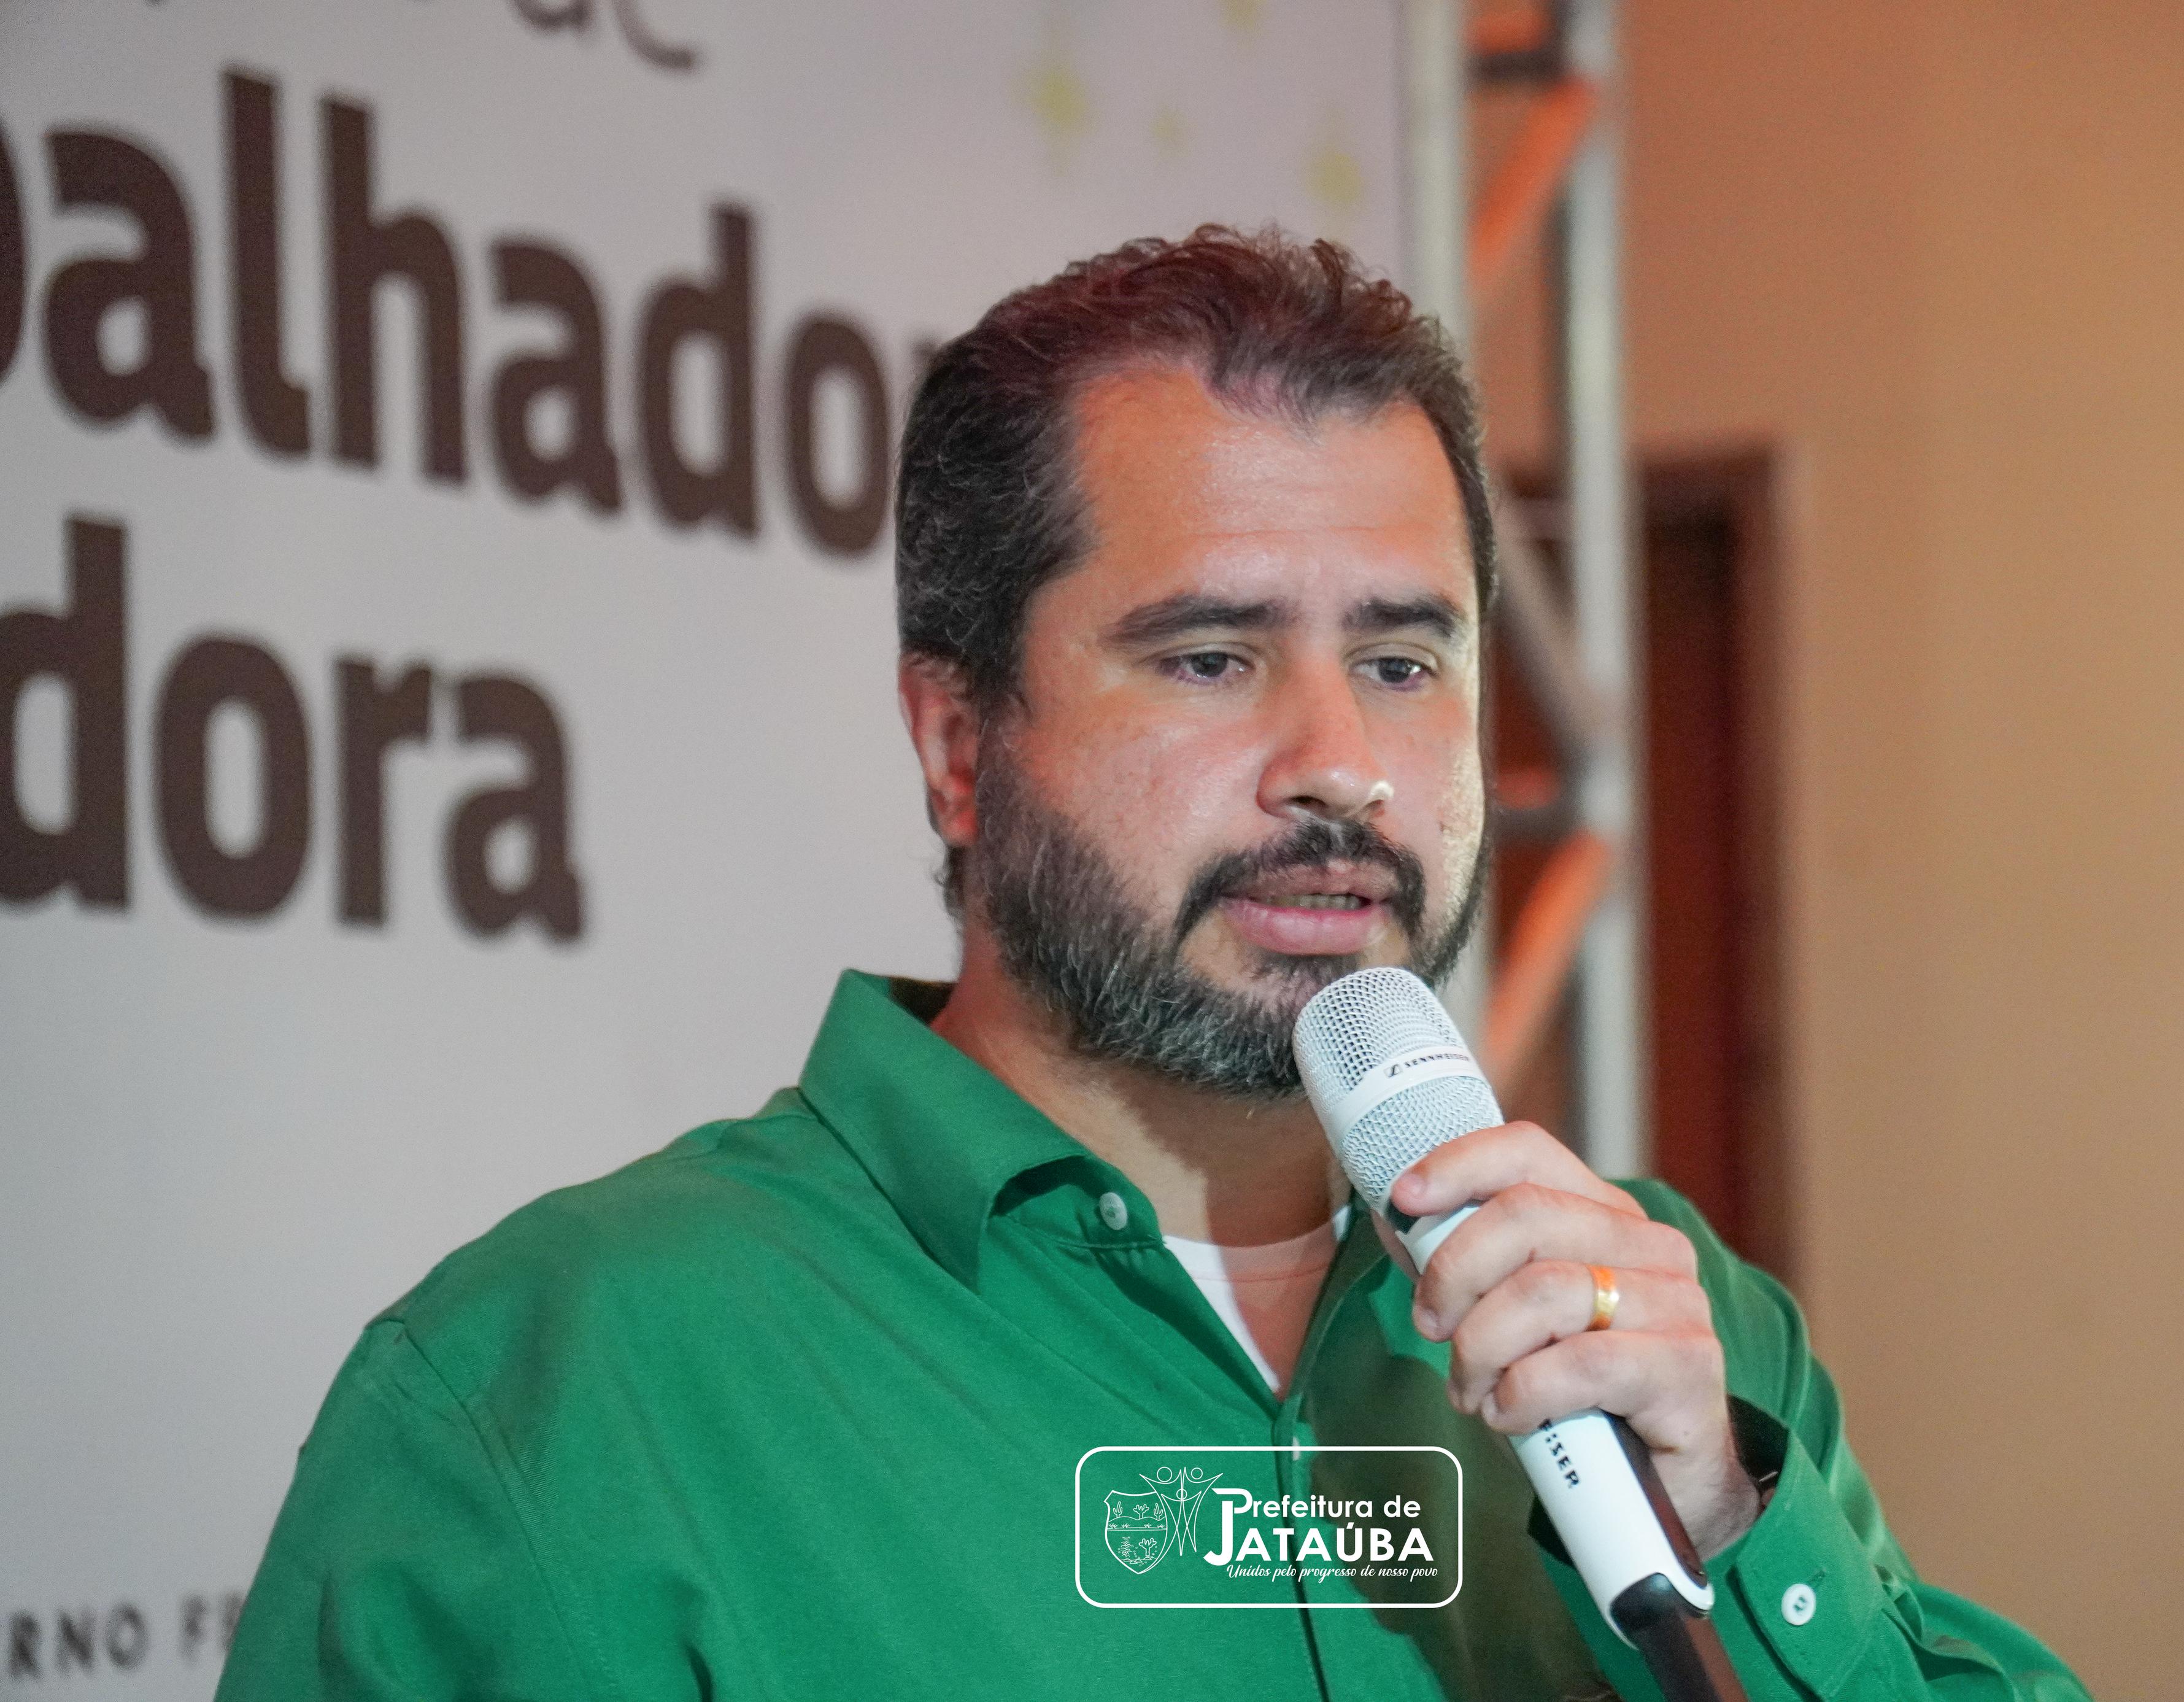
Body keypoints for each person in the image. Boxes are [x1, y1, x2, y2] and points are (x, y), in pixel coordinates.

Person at [217, 227, 2088, 1702]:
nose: (1340, 764)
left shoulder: (1659, 1328)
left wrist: (1739, 1532)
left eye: (1405, 661)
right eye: (1209, 658)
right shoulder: (567, 1387)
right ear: (959, 743)